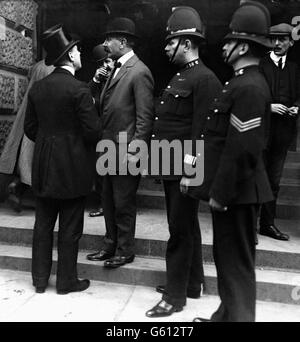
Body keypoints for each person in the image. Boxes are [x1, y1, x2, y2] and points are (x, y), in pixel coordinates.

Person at [188, 1, 273, 322]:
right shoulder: (240, 81)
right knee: (227, 261)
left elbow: (242, 149)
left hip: (238, 193)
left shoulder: (250, 86)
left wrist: (220, 193)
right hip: (234, 192)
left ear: (243, 45)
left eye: (229, 40)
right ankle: (224, 316)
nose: (224, 46)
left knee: (236, 266)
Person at [145, 7, 222, 318]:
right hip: (171, 167)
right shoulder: (182, 76)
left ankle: (174, 298)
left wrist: (191, 173)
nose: (165, 47)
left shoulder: (205, 79)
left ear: (187, 43)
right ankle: (191, 284)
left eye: (170, 42)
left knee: (179, 231)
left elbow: (200, 134)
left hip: (184, 171)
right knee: (186, 226)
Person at [24, 24, 101, 294]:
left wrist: (49, 142)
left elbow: (30, 129)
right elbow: (93, 132)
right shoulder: (80, 90)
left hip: (44, 166)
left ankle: (40, 280)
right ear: (69, 56)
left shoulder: (38, 89)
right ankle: (67, 282)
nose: (80, 53)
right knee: (70, 227)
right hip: (72, 167)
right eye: (77, 50)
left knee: (42, 225)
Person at [86, 18, 154, 267]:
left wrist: (137, 150)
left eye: (108, 40)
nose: (105, 44)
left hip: (126, 150)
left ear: (122, 42)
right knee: (107, 200)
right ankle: (110, 245)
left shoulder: (140, 71)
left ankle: (125, 250)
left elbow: (144, 118)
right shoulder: (113, 69)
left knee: (123, 203)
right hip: (107, 148)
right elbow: (98, 105)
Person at [258, 23, 300, 241]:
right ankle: (248, 224)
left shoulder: (294, 68)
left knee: (274, 181)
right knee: (257, 177)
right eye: (273, 39)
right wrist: (269, 107)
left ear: (291, 42)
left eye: (282, 39)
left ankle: (267, 224)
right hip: (261, 132)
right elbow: (251, 97)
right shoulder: (260, 66)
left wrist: (296, 107)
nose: (277, 43)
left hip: (283, 134)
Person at [0, 60, 54, 212]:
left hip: (26, 113)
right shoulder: (54, 68)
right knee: (36, 161)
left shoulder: (38, 65)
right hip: (42, 117)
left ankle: (16, 186)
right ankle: (25, 192)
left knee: (25, 158)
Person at [88, 44, 114, 218]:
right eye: (103, 63)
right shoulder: (98, 81)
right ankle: (102, 204)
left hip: (117, 130)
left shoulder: (121, 76)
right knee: (100, 171)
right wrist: (96, 80)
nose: (107, 66)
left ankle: (111, 205)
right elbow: (85, 100)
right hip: (100, 132)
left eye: (109, 61)